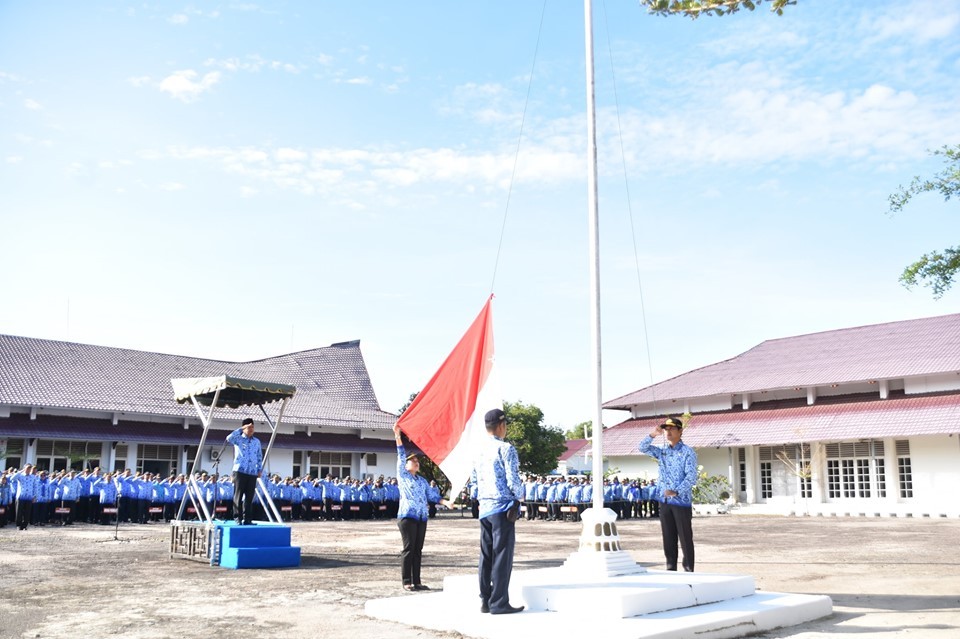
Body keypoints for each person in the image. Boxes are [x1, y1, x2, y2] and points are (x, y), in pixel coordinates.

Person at [473, 408, 524, 615]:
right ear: (502, 426)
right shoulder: (506, 449)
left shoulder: (478, 450)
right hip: (503, 508)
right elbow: (513, 481)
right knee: (502, 555)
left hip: (484, 508)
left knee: (486, 555)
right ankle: (499, 602)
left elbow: (474, 483)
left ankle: (485, 600)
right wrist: (520, 496)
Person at [638, 416, 698, 572]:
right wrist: (653, 434)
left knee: (685, 538)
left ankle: (688, 570)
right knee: (668, 538)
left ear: (680, 431)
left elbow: (691, 477)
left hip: (681, 501)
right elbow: (642, 447)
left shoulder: (687, 452)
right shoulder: (662, 452)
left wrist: (676, 490)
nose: (668, 432)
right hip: (664, 501)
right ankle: (670, 570)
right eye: (666, 429)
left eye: (672, 429)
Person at [392, 423, 431, 591]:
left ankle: (417, 581)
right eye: (413, 461)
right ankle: (407, 581)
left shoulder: (421, 481)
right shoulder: (403, 476)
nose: (416, 463)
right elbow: (401, 455)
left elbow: (432, 495)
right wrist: (398, 436)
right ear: (406, 465)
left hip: (421, 517)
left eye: (417, 461)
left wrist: (445, 502)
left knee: (418, 550)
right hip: (407, 517)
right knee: (409, 549)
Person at [227, 417, 263, 525]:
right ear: (244, 428)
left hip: (252, 472)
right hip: (240, 471)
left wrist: (259, 469)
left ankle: (247, 519)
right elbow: (229, 438)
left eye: (252, 427)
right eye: (249, 427)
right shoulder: (239, 439)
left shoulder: (256, 441)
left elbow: (259, 456)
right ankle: (237, 518)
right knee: (238, 495)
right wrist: (241, 429)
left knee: (249, 497)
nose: (251, 429)